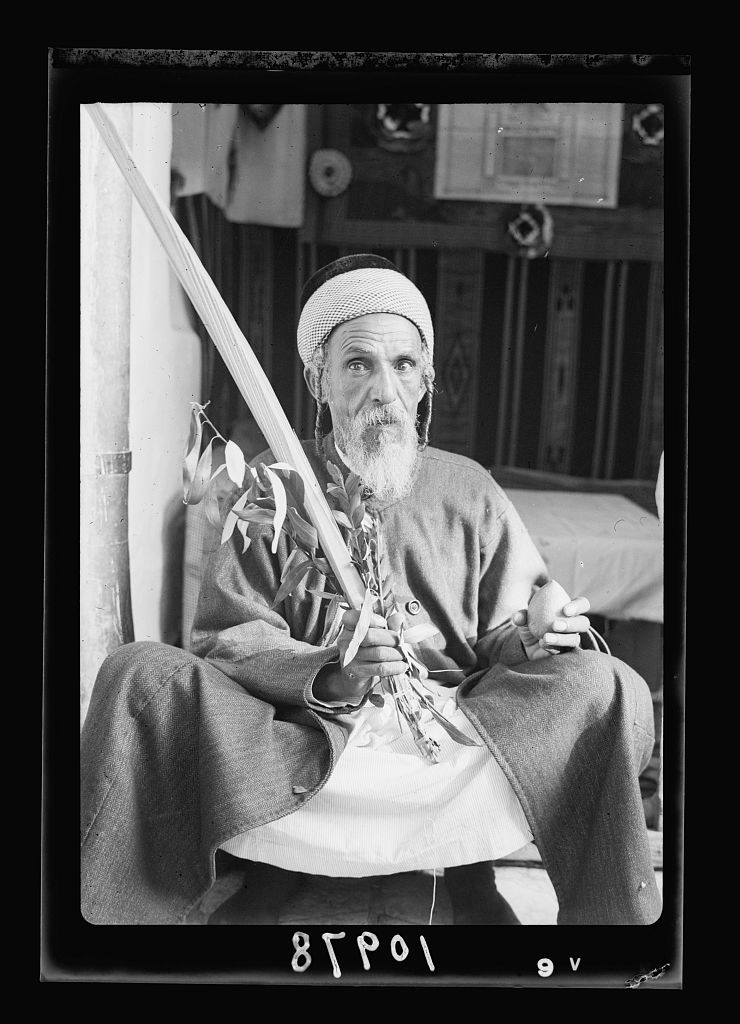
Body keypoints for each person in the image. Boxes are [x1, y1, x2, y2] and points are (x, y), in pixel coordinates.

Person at [81, 254, 661, 926]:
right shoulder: (272, 484)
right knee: (139, 674)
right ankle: (110, 944)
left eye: (404, 365)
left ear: (427, 381)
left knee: (607, 684)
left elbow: (503, 638)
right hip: (307, 737)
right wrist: (335, 674)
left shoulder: (468, 487)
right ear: (317, 379)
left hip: (455, 743)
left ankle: (610, 948)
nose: (385, 389)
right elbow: (232, 642)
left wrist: (533, 633)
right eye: (359, 364)